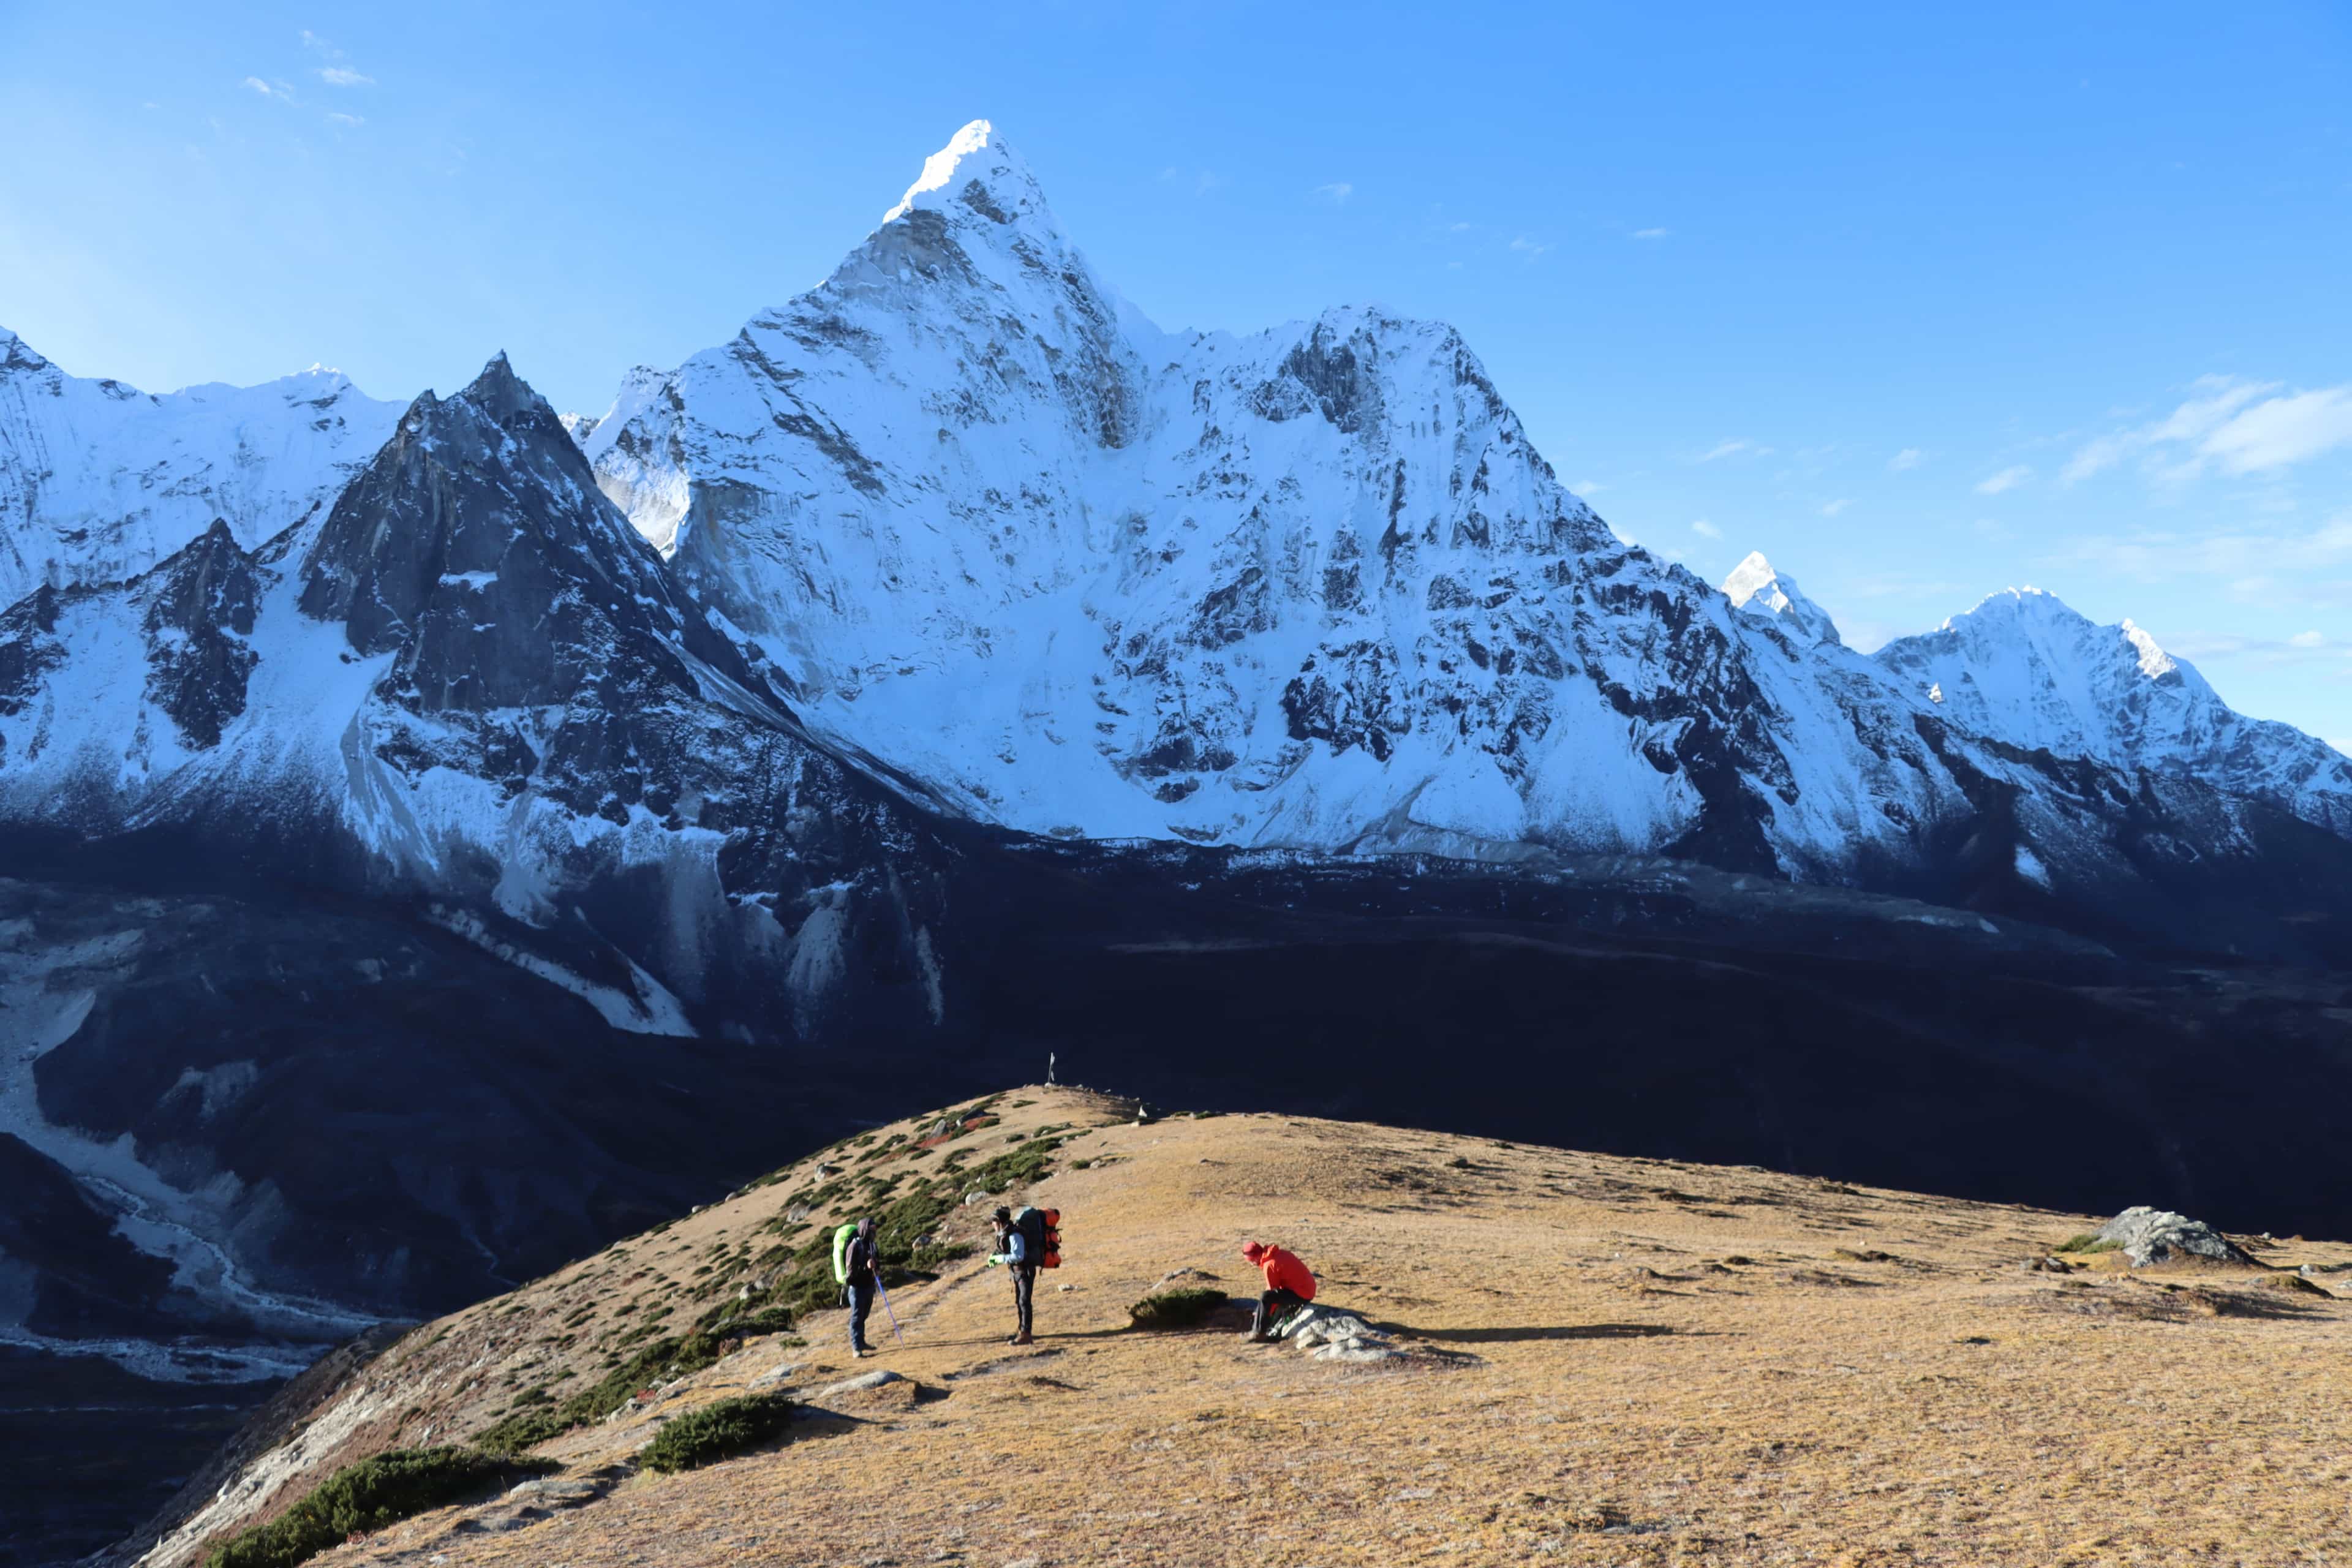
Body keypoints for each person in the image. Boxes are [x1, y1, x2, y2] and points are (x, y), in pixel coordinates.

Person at [1241, 1239, 1316, 1342]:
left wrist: (1261, 1314)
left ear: (1255, 1257)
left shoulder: (1269, 1264)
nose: (1252, 1264)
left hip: (1302, 1294)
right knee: (1267, 1296)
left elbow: (1271, 1294)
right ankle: (1259, 1330)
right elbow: (1275, 1288)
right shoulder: (1279, 1254)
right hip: (1307, 1289)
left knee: (1266, 1297)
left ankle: (1258, 1333)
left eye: (1251, 1261)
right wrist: (1259, 1310)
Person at [988, 1206, 1036, 1345]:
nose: (992, 1224)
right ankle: (1022, 1331)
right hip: (1017, 1272)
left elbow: (1018, 1256)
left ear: (1000, 1221)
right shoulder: (1005, 1234)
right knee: (1020, 1302)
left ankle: (1026, 1334)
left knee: (1024, 1302)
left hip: (1025, 1271)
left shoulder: (1015, 1235)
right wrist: (994, 1258)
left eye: (994, 1221)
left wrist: (999, 1259)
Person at [843, 1216, 880, 1358]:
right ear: (864, 1229)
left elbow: (878, 1260)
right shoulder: (854, 1246)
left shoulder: (873, 1245)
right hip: (857, 1287)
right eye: (871, 1229)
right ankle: (856, 1348)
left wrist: (877, 1267)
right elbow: (851, 1270)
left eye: (875, 1229)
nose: (874, 1232)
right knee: (857, 1316)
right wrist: (866, 1267)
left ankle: (862, 1342)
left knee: (864, 1315)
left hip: (869, 1286)